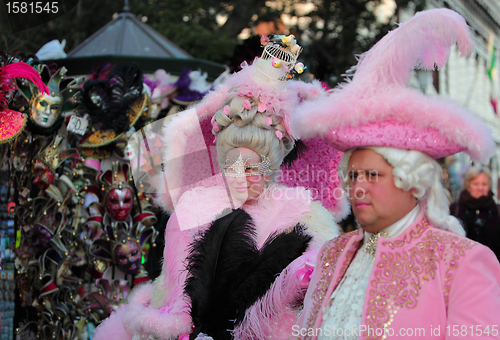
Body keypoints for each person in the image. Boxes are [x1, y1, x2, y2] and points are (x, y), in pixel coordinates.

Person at [93, 35, 346, 340]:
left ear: (275, 165)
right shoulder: (197, 207)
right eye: (231, 165)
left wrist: (295, 281)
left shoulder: (304, 212)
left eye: (253, 167)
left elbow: (321, 281)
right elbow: (176, 290)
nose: (240, 176)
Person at [290, 9, 500, 340]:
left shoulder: (461, 261)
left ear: (412, 181)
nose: (357, 188)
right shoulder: (333, 253)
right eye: (353, 176)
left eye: (372, 175)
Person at [450, 166, 500, 261]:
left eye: (484, 184)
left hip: (492, 268)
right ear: (468, 186)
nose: (480, 188)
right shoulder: (455, 209)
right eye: (475, 184)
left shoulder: (497, 210)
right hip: (463, 267)